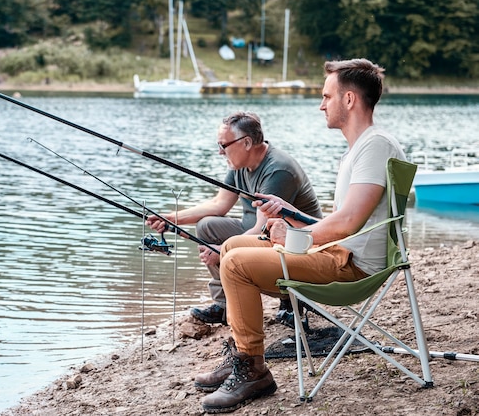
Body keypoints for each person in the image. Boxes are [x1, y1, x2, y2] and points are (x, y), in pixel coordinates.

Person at [197, 58, 407, 413]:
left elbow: (349, 223)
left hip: (351, 265)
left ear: (350, 100)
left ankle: (253, 370)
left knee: (234, 264)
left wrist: (298, 236)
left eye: (327, 96)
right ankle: (240, 354)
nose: (321, 104)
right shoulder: (359, 149)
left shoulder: (375, 146)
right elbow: (344, 220)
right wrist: (292, 217)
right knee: (232, 244)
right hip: (339, 252)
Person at [145, 111, 322, 325]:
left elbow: (261, 228)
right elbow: (218, 205)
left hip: (296, 248)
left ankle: (289, 297)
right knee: (207, 226)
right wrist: (171, 219)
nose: (220, 152)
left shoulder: (278, 170)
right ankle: (224, 306)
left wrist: (222, 251)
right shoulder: (240, 165)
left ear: (246, 143)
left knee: (217, 245)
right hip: (262, 236)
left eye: (223, 145)